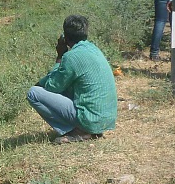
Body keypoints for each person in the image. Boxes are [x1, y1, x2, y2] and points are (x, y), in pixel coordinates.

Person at [27, 15, 117, 144]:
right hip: (105, 119)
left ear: (65, 36)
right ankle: (89, 129)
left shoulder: (71, 57)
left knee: (33, 93)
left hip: (90, 119)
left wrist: (60, 56)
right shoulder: (94, 49)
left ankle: (79, 131)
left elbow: (53, 86)